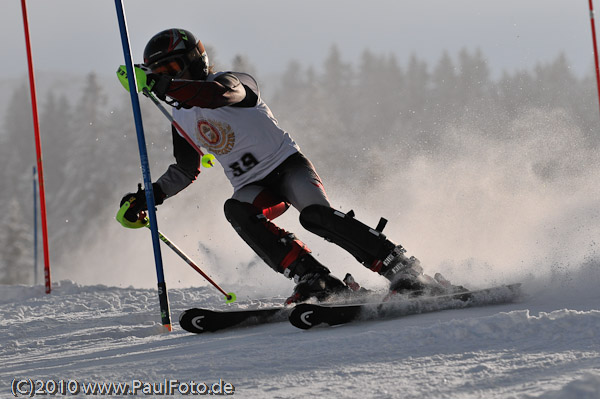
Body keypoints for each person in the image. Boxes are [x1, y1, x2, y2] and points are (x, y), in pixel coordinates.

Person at [120, 28, 451, 303]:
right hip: (255, 186)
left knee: (315, 216)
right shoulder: (180, 117)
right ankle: (314, 278)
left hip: (288, 166)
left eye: (172, 70)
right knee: (236, 209)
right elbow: (184, 169)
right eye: (159, 75)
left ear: (193, 62)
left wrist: (163, 85)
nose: (166, 81)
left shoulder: (232, 82)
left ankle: (399, 265)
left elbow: (217, 96)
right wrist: (149, 197)